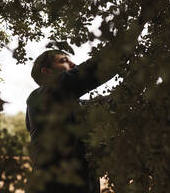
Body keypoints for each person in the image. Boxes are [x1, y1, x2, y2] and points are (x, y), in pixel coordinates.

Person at [25, 48, 122, 193]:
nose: (74, 64)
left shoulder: (78, 107)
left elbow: (113, 102)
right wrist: (124, 47)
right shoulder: (39, 97)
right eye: (63, 61)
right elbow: (90, 71)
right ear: (47, 72)